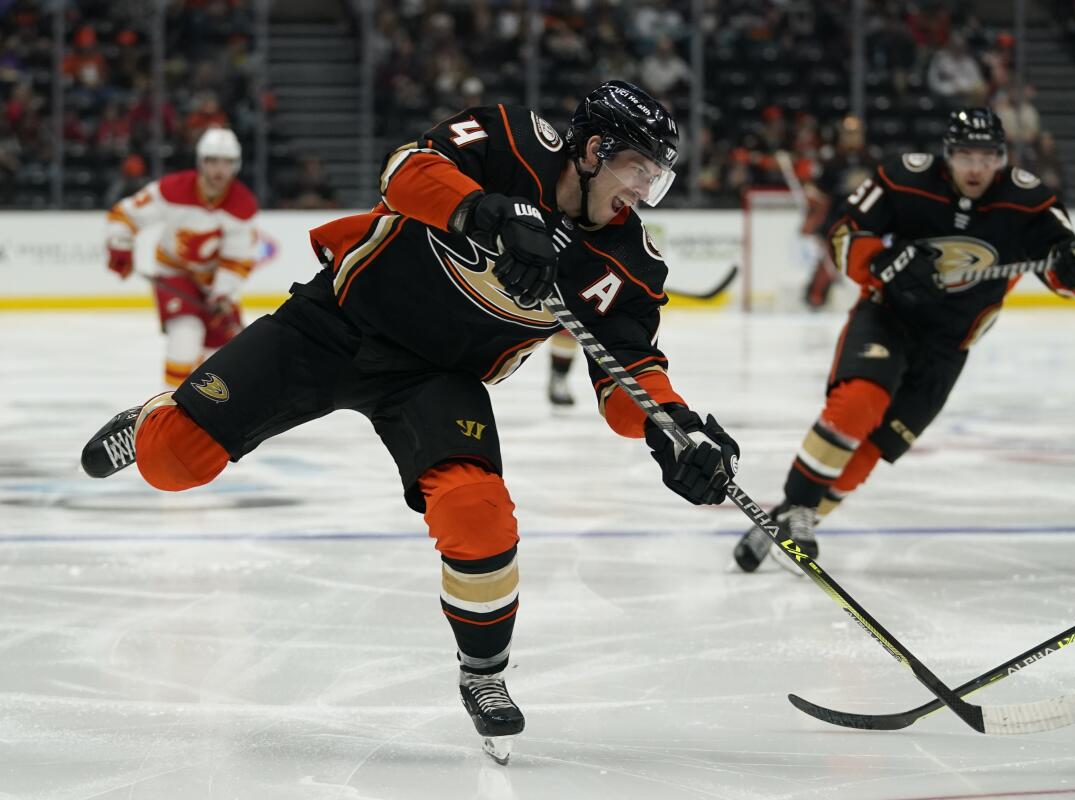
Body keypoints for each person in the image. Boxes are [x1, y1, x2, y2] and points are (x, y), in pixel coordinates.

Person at [80, 81, 740, 764]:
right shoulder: (513, 139)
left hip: (436, 377)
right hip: (335, 321)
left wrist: (673, 428)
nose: (644, 192)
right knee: (173, 461)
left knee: (478, 513)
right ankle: (154, 419)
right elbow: (403, 173)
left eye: (657, 179)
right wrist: (483, 212)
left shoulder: (630, 265)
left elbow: (626, 374)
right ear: (597, 150)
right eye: (640, 171)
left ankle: (483, 674)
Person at [732, 107, 1075, 572]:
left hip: (948, 347)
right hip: (888, 317)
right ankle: (799, 510)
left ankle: (790, 526)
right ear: (947, 154)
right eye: (965, 155)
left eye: (985, 157)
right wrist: (883, 263)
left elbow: (1064, 274)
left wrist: (1074, 265)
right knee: (858, 404)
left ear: (1001, 159)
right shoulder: (907, 179)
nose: (975, 168)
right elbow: (846, 233)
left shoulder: (1028, 201)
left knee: (874, 448)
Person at [105, 127, 259, 388]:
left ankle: (207, 412)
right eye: (212, 161)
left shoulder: (243, 205)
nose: (219, 170)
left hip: (212, 281)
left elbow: (237, 259)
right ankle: (168, 413)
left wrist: (223, 294)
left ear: (236, 165)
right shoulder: (172, 190)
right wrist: (120, 245)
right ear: (201, 161)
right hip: (173, 273)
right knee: (185, 335)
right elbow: (125, 215)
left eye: (226, 162)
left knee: (224, 355)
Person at [800, 115, 879, 308]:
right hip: (836, 220)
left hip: (867, 221)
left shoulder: (872, 159)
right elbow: (819, 190)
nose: (852, 137)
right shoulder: (831, 160)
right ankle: (815, 297)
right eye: (848, 133)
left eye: (855, 133)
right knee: (829, 261)